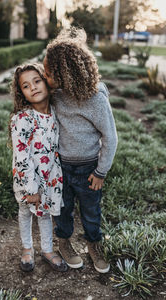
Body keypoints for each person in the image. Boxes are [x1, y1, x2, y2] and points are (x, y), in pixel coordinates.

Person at [43, 27, 118, 273]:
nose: (45, 76)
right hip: (61, 167)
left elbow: (110, 137)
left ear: (65, 73)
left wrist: (101, 171)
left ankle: (94, 244)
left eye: (48, 72)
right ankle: (64, 242)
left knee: (91, 211)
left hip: (89, 170)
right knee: (62, 210)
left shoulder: (96, 100)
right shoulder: (55, 95)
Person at [9, 63, 67, 272]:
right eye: (26, 86)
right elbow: (22, 156)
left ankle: (47, 249)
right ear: (22, 93)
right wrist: (30, 189)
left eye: (37, 81)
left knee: (45, 213)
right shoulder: (23, 119)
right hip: (28, 179)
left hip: (49, 176)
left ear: (46, 82)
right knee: (26, 211)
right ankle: (26, 248)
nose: (33, 87)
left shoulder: (54, 112)